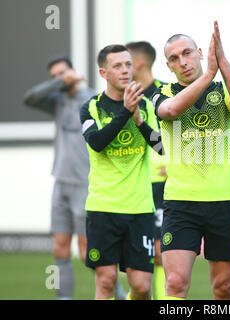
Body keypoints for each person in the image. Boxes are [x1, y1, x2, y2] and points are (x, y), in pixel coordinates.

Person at [152, 21, 230, 300]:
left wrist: (222, 60)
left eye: (187, 53)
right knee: (175, 283)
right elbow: (169, 111)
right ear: (168, 66)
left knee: (223, 288)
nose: (182, 62)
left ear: (199, 52)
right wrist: (208, 74)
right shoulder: (163, 93)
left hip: (223, 201)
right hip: (181, 203)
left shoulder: (223, 90)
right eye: (174, 58)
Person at [80, 44, 162, 300]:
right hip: (104, 207)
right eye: (117, 66)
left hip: (139, 208)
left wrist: (139, 120)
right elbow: (97, 143)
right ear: (104, 73)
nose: (125, 70)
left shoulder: (146, 105)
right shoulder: (91, 107)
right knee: (106, 281)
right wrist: (126, 112)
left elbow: (161, 147)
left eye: (128, 64)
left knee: (141, 286)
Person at [23, 57, 96, 300]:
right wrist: (58, 83)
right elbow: (29, 98)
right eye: (54, 76)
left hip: (85, 185)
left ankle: (117, 295)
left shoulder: (93, 99)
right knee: (59, 250)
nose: (59, 78)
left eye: (62, 73)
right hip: (60, 184)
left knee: (87, 253)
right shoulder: (56, 101)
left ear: (74, 71)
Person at [126, 41, 168, 300]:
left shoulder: (166, 93)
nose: (122, 68)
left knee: (162, 254)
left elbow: (181, 135)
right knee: (138, 263)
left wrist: (173, 160)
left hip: (161, 185)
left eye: (126, 62)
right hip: (133, 186)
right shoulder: (125, 97)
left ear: (139, 63)